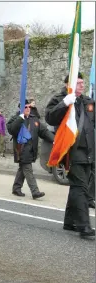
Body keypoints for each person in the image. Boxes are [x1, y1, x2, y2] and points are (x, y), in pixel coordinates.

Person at [45, 72, 95, 237]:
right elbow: (50, 118)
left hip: (88, 151)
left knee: (78, 187)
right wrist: (65, 103)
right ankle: (83, 226)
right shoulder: (60, 99)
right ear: (69, 84)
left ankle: (70, 222)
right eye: (78, 83)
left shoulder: (88, 101)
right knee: (81, 188)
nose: (82, 85)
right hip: (72, 151)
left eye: (82, 82)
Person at [7, 99, 54, 199]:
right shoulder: (15, 118)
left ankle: (16, 188)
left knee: (22, 169)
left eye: (29, 107)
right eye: (25, 107)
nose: (28, 109)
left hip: (32, 149)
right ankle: (35, 191)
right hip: (21, 149)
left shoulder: (34, 119)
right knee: (28, 169)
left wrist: (54, 140)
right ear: (20, 108)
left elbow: (43, 131)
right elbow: (11, 130)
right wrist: (20, 118)